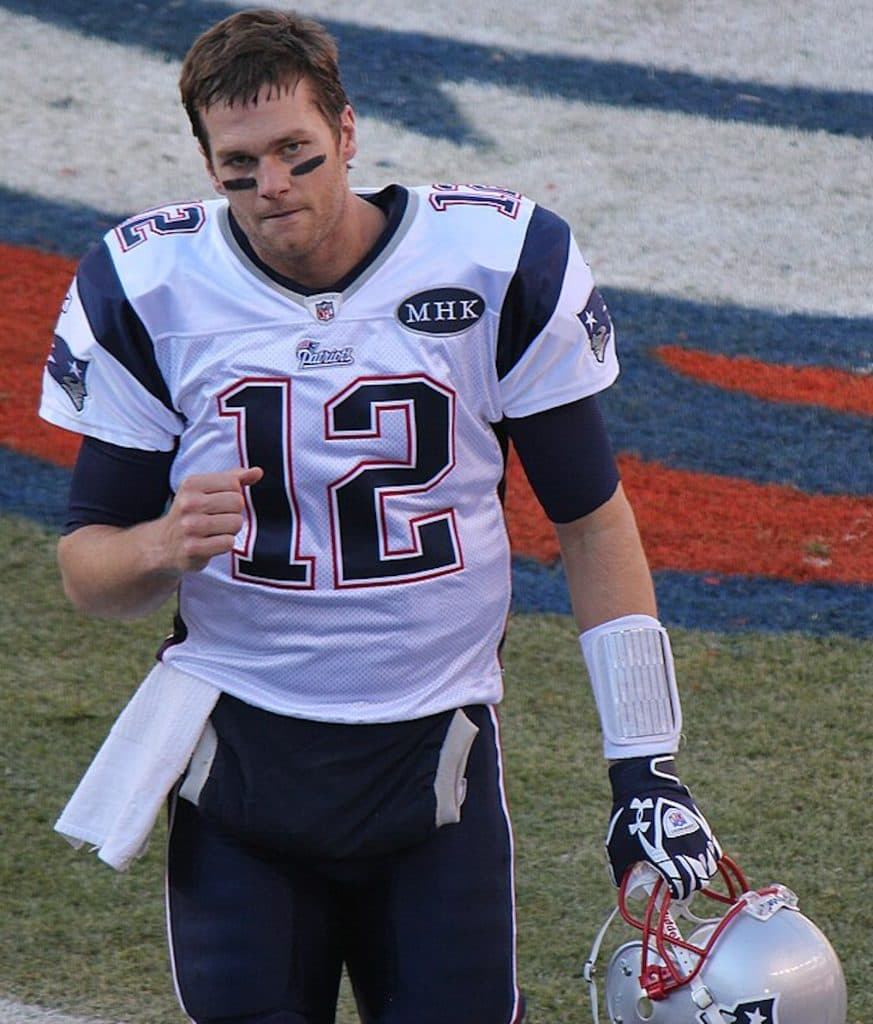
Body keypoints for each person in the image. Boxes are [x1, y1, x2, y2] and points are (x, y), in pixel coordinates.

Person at [39, 9, 722, 1024]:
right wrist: (155, 544)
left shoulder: (493, 262)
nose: (271, 186)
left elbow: (591, 521)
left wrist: (645, 763)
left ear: (348, 132)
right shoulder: (151, 287)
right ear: (203, 158)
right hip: (238, 759)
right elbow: (88, 569)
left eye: (296, 153)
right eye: (238, 165)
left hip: (433, 754)